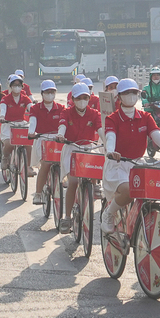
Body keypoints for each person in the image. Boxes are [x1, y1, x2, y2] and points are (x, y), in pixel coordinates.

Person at [103, 79, 160, 243]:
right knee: (129, 191)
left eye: (134, 93)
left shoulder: (145, 117)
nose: (130, 96)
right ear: (119, 97)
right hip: (117, 164)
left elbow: (156, 135)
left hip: (138, 164)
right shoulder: (112, 118)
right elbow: (110, 137)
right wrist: (110, 151)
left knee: (150, 192)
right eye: (126, 93)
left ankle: (136, 224)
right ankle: (108, 213)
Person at [58, 80, 103, 216]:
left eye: (85, 98)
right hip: (71, 148)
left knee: (95, 165)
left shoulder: (95, 114)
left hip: (88, 148)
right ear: (72, 99)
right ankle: (66, 217)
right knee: (73, 182)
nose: (82, 101)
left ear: (89, 98)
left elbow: (100, 129)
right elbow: (62, 125)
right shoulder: (66, 112)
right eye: (78, 98)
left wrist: (107, 141)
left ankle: (94, 186)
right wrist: (60, 134)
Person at [29, 80, 67, 215]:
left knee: (63, 162)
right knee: (45, 164)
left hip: (57, 141)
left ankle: (63, 179)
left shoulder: (61, 108)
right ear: (42, 93)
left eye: (52, 92)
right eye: (47, 92)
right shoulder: (35, 108)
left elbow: (64, 123)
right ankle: (38, 193)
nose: (50, 94)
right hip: (42, 139)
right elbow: (32, 120)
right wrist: (31, 131)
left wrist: (61, 135)